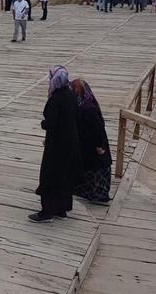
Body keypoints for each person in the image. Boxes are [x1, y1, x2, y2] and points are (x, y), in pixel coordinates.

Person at [30, 66, 82, 223]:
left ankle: (47, 212)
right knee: (64, 176)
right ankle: (61, 209)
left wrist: (43, 123)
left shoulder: (56, 99)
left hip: (57, 144)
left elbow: (50, 123)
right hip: (71, 142)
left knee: (50, 175)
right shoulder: (71, 95)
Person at [70, 80, 111, 205]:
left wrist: (99, 146)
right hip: (86, 145)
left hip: (96, 147)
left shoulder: (88, 109)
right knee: (88, 170)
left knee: (96, 170)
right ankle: (88, 193)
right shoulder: (82, 105)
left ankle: (99, 196)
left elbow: (98, 129)